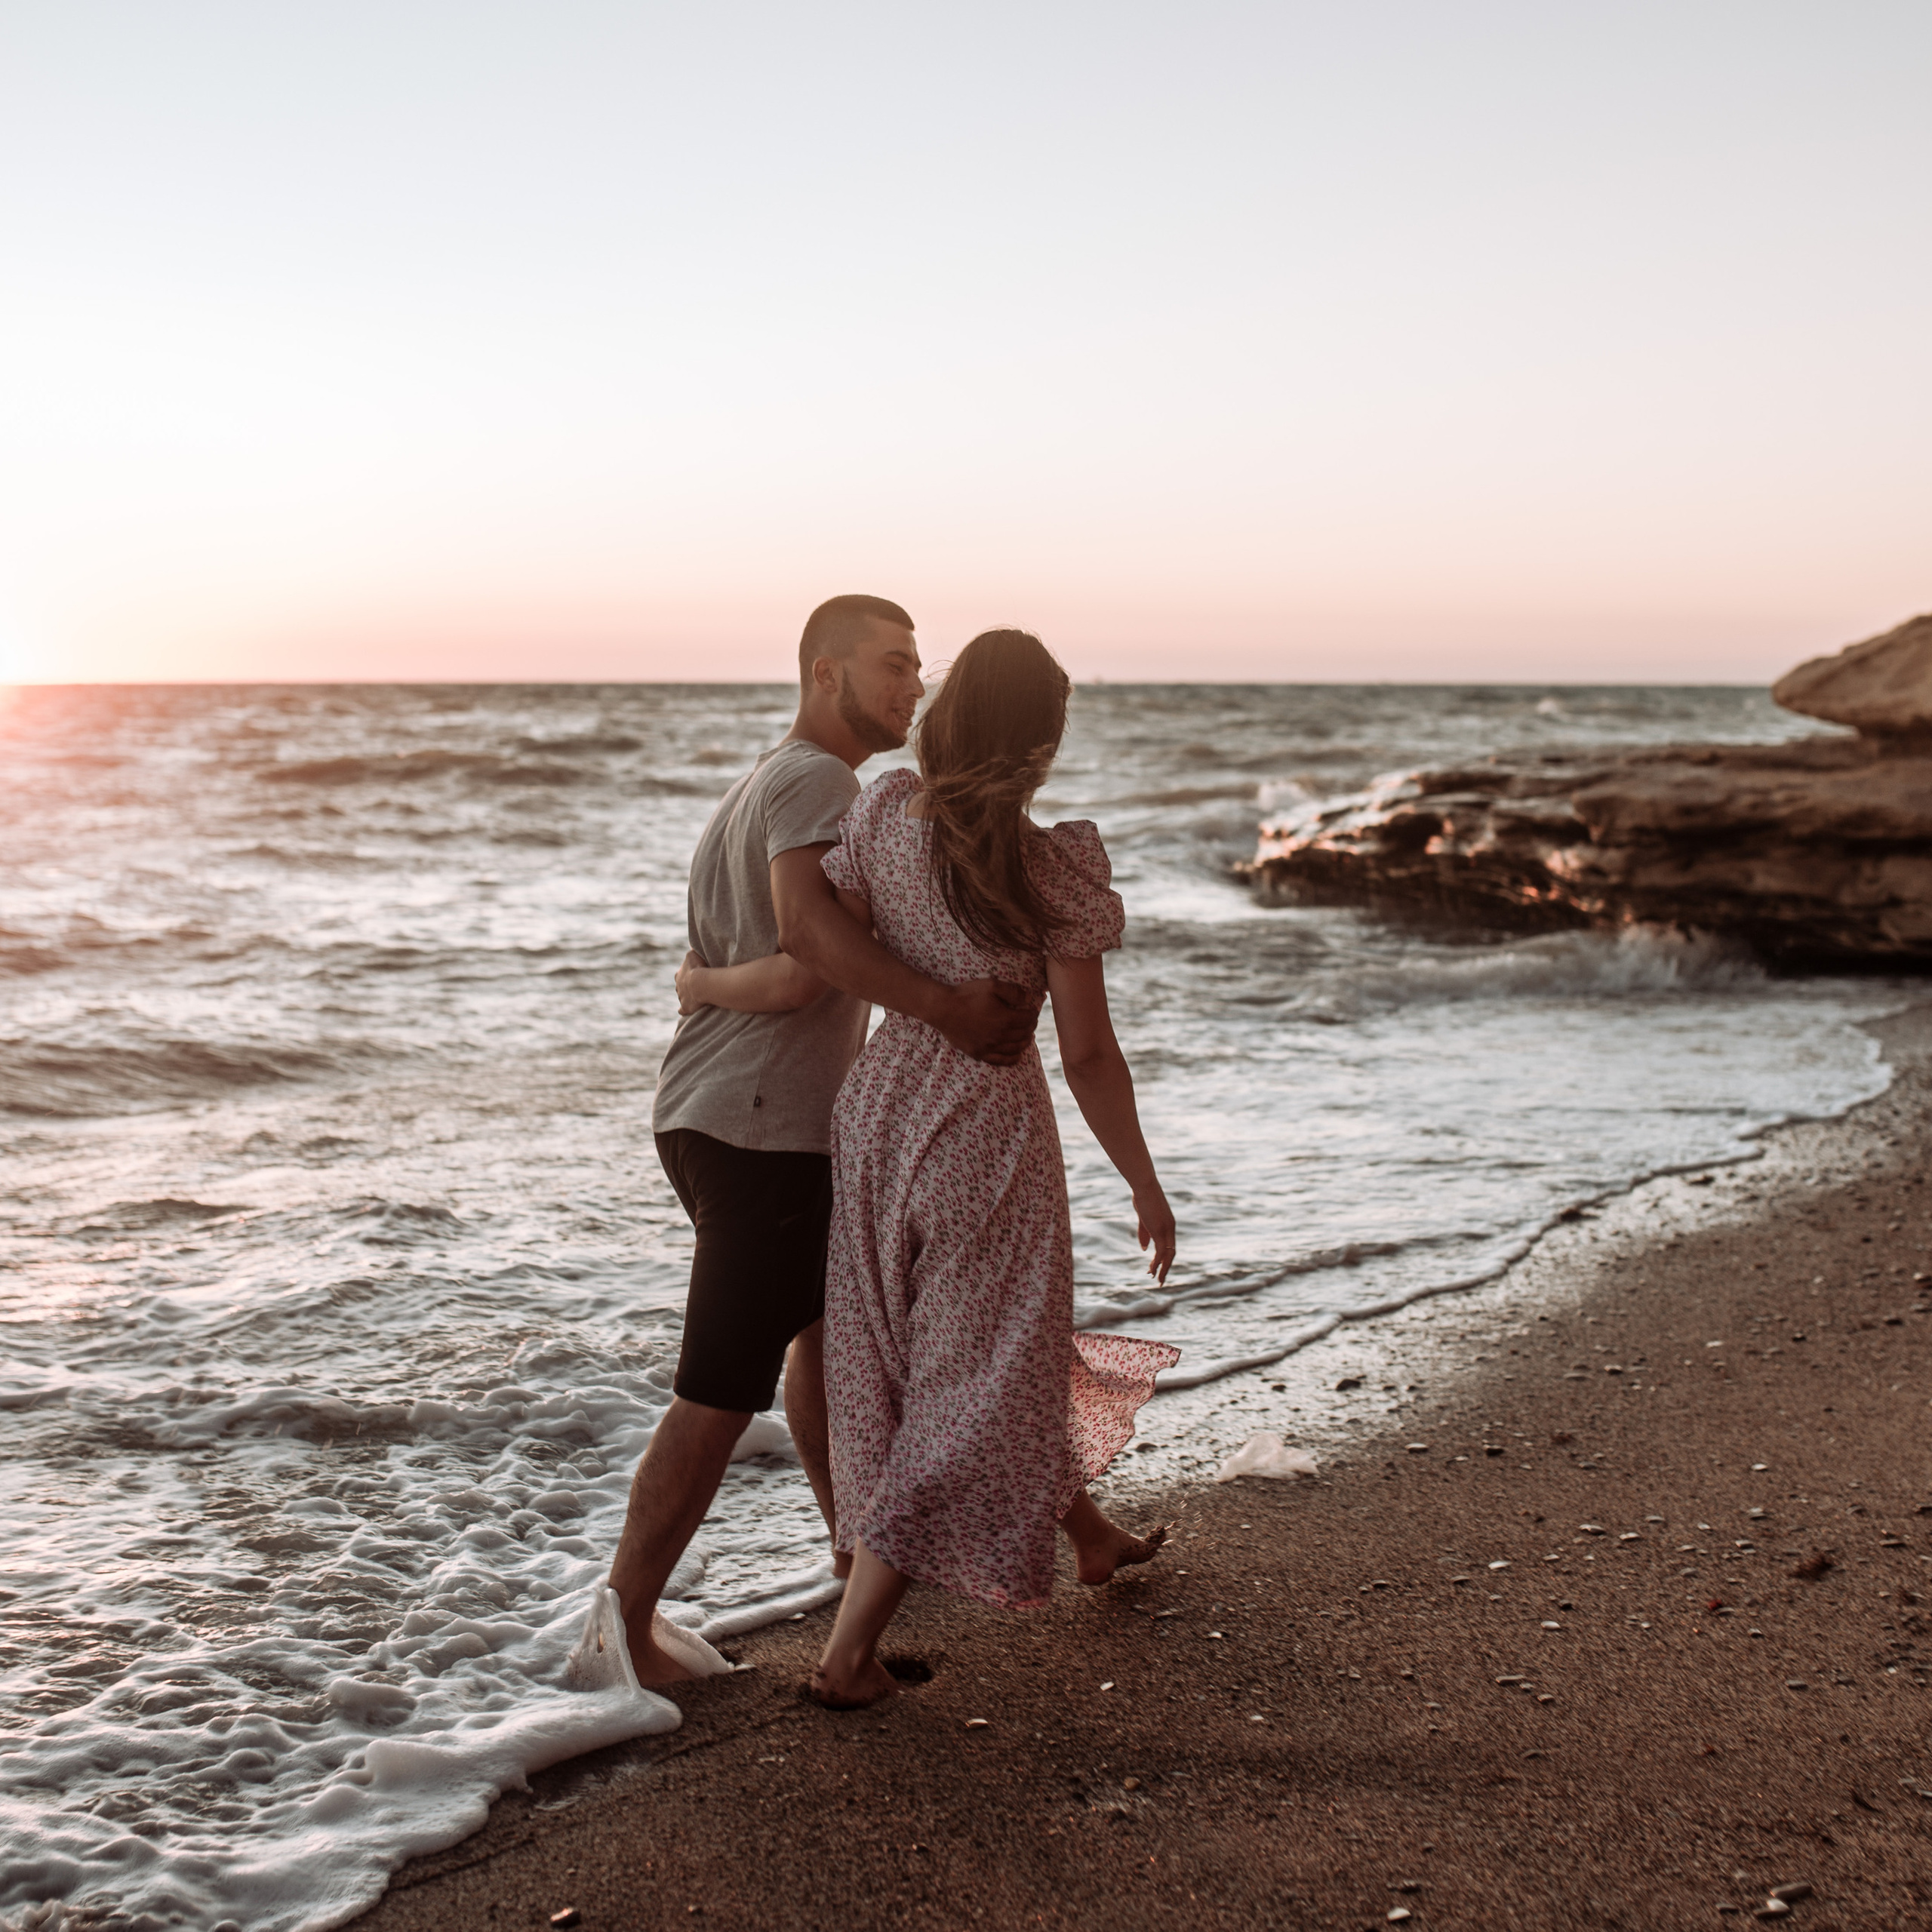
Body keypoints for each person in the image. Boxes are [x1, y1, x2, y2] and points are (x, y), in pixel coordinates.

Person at [678, 628, 1179, 1709]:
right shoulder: (1051, 868)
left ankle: (1091, 1537)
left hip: (876, 1116)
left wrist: (710, 983)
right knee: (975, 1377)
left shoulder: (881, 814)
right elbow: (1088, 1054)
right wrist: (1142, 1179)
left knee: (932, 1361)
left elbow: (828, 948)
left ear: (948, 715)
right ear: (1041, 741)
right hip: (984, 1133)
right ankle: (850, 1652)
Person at [579, 595, 1040, 1690]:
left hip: (720, 1113)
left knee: (828, 1345)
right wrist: (947, 1005)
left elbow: (769, 957)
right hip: (761, 1128)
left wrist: (700, 984)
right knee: (718, 1387)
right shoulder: (820, 784)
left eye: (919, 667)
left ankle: (851, 1561)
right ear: (825, 673)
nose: (914, 686)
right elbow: (802, 956)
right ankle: (623, 1632)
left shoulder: (757, 783)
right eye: (892, 664)